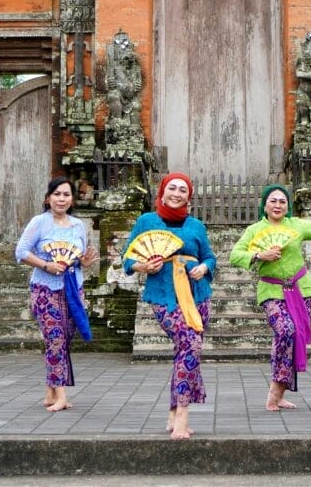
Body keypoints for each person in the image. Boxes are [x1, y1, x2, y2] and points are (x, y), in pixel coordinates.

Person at [230, 184, 311, 413]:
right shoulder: (254, 230)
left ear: (288, 206)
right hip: (272, 291)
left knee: (293, 338)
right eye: (273, 201)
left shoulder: (297, 225)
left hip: (302, 289)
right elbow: (235, 255)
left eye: (282, 201)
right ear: (264, 205)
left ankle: (280, 394)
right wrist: (259, 255)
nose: (278, 205)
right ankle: (275, 388)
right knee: (285, 331)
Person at [122, 172, 216, 440]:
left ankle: (174, 411)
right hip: (164, 294)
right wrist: (143, 265)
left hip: (197, 296)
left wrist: (203, 267)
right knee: (190, 344)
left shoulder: (196, 225)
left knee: (185, 351)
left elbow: (210, 257)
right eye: (172, 188)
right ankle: (184, 415)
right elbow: (127, 257)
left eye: (182, 190)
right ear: (162, 192)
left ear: (189, 196)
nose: (176, 193)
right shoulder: (147, 221)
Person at [15, 177, 97, 412]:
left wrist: (85, 262)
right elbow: (21, 252)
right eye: (57, 194)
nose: (61, 199)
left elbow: (78, 259)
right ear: (48, 198)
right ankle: (61, 395)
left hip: (72, 287)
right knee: (55, 338)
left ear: (72, 199)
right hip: (45, 288)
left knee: (66, 337)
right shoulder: (39, 223)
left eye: (66, 195)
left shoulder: (78, 225)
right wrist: (45, 265)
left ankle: (50, 391)